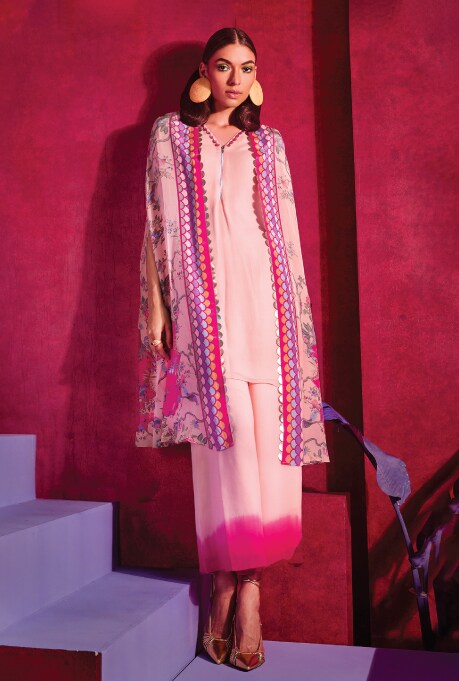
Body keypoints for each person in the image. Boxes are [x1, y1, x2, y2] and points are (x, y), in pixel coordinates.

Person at [135, 27, 329, 671]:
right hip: (203, 310)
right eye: (224, 67)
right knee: (226, 445)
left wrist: (297, 320)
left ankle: (245, 588)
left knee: (270, 448)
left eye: (246, 68)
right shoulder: (171, 135)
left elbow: (285, 234)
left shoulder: (268, 144)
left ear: (256, 76)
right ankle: (224, 579)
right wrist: (158, 305)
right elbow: (155, 226)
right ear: (203, 71)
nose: (236, 79)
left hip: (266, 306)